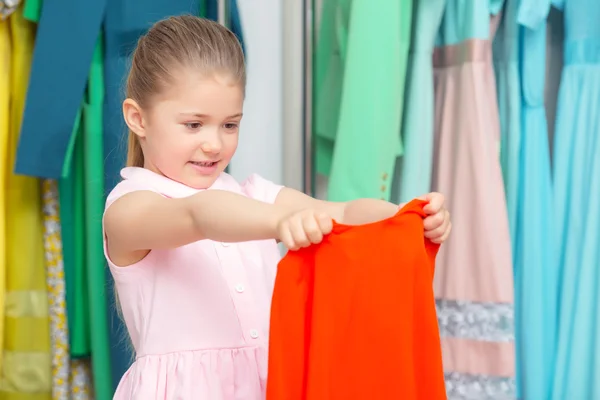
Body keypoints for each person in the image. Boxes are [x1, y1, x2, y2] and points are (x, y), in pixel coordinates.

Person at [103, 15, 452, 399]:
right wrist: (282, 220)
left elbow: (344, 212)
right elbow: (198, 215)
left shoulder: (256, 195)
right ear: (138, 118)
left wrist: (405, 214)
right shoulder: (129, 209)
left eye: (229, 125)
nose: (214, 144)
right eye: (193, 125)